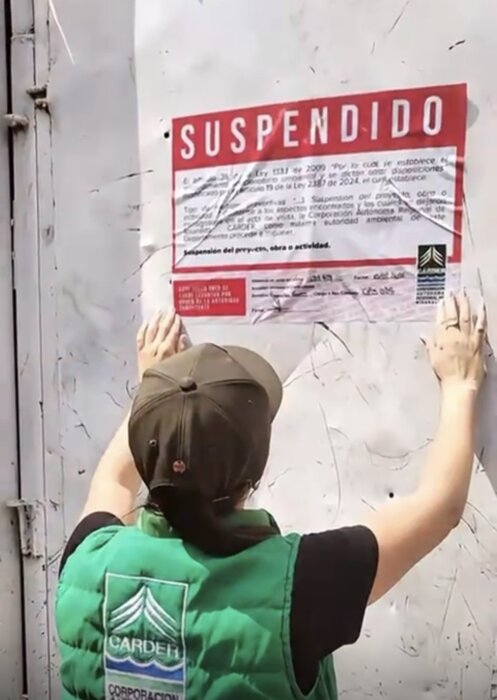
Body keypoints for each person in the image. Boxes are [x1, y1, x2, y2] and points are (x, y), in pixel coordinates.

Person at [56, 294, 486, 700]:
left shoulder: (86, 558)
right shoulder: (299, 586)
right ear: (253, 473)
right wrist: (461, 383)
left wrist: (157, 396)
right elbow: (440, 506)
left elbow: (112, 480)